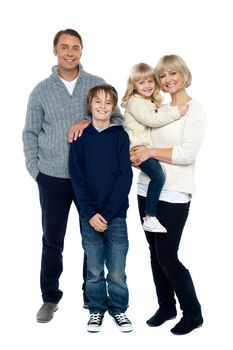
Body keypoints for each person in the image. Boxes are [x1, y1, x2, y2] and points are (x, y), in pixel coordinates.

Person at [22, 29, 123, 323]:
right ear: (54, 50)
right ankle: (50, 298)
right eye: (64, 47)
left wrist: (87, 118)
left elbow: (116, 117)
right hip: (52, 177)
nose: (69, 52)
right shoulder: (41, 90)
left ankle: (90, 297)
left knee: (91, 237)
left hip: (91, 178)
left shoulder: (96, 84)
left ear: (82, 51)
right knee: (52, 239)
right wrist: (36, 170)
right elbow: (29, 132)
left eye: (75, 47)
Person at [131, 55, 206, 335]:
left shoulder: (195, 111)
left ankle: (193, 313)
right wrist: (136, 154)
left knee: (167, 256)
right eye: (162, 76)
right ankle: (166, 307)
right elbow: (142, 139)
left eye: (173, 73)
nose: (167, 80)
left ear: (184, 74)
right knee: (154, 253)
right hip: (145, 189)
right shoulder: (157, 107)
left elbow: (186, 154)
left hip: (174, 194)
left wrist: (149, 152)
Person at [69, 84, 133, 333]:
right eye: (98, 101)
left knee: (117, 270)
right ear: (90, 105)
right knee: (94, 270)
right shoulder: (80, 138)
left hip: (115, 215)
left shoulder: (120, 136)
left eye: (108, 102)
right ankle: (96, 309)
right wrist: (90, 212)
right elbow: (77, 177)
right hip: (89, 216)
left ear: (113, 107)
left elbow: (124, 178)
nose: (103, 106)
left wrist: (106, 213)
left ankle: (119, 310)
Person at [121, 63, 188, 233]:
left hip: (144, 149)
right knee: (158, 176)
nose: (147, 85)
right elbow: (151, 120)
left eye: (150, 81)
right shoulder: (135, 102)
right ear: (133, 86)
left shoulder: (148, 101)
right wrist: (177, 113)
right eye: (141, 83)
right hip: (138, 149)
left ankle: (150, 216)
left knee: (158, 176)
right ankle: (150, 216)